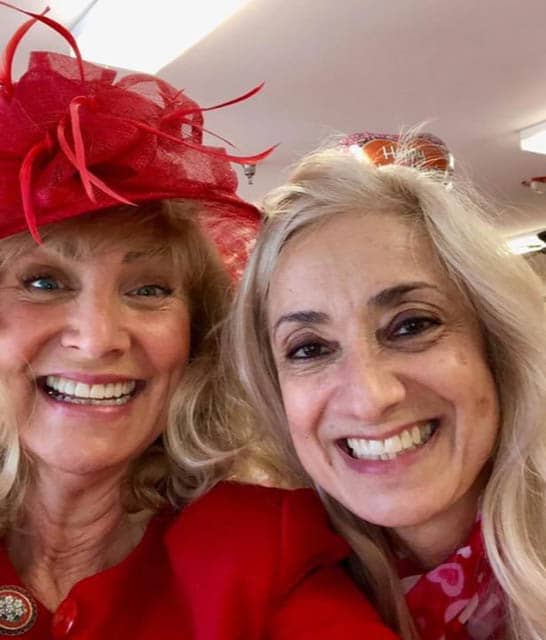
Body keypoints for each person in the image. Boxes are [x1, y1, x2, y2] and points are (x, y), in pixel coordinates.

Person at [0, 7, 400, 639]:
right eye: (44, 282)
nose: (99, 337)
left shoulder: (261, 546)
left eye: (150, 289)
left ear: (197, 338)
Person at [230, 134, 546, 640]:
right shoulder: (268, 589)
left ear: (494, 345)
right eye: (310, 349)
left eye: (411, 325)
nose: (371, 397)